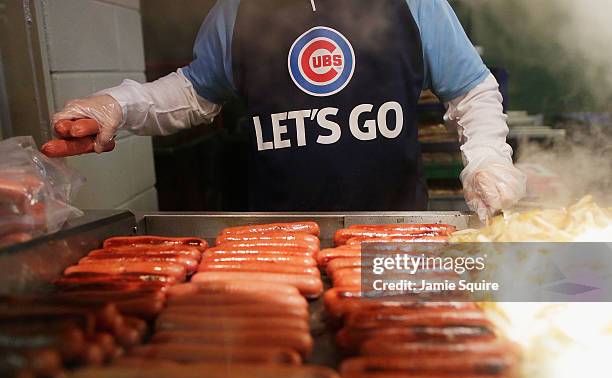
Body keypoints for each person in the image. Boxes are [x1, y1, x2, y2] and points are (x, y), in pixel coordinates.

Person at [53, 0, 526, 219]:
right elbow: (195, 93)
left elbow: (472, 89)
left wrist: (487, 158)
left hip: (397, 228)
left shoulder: (414, 2)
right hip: (277, 239)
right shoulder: (236, 11)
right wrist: (118, 104)